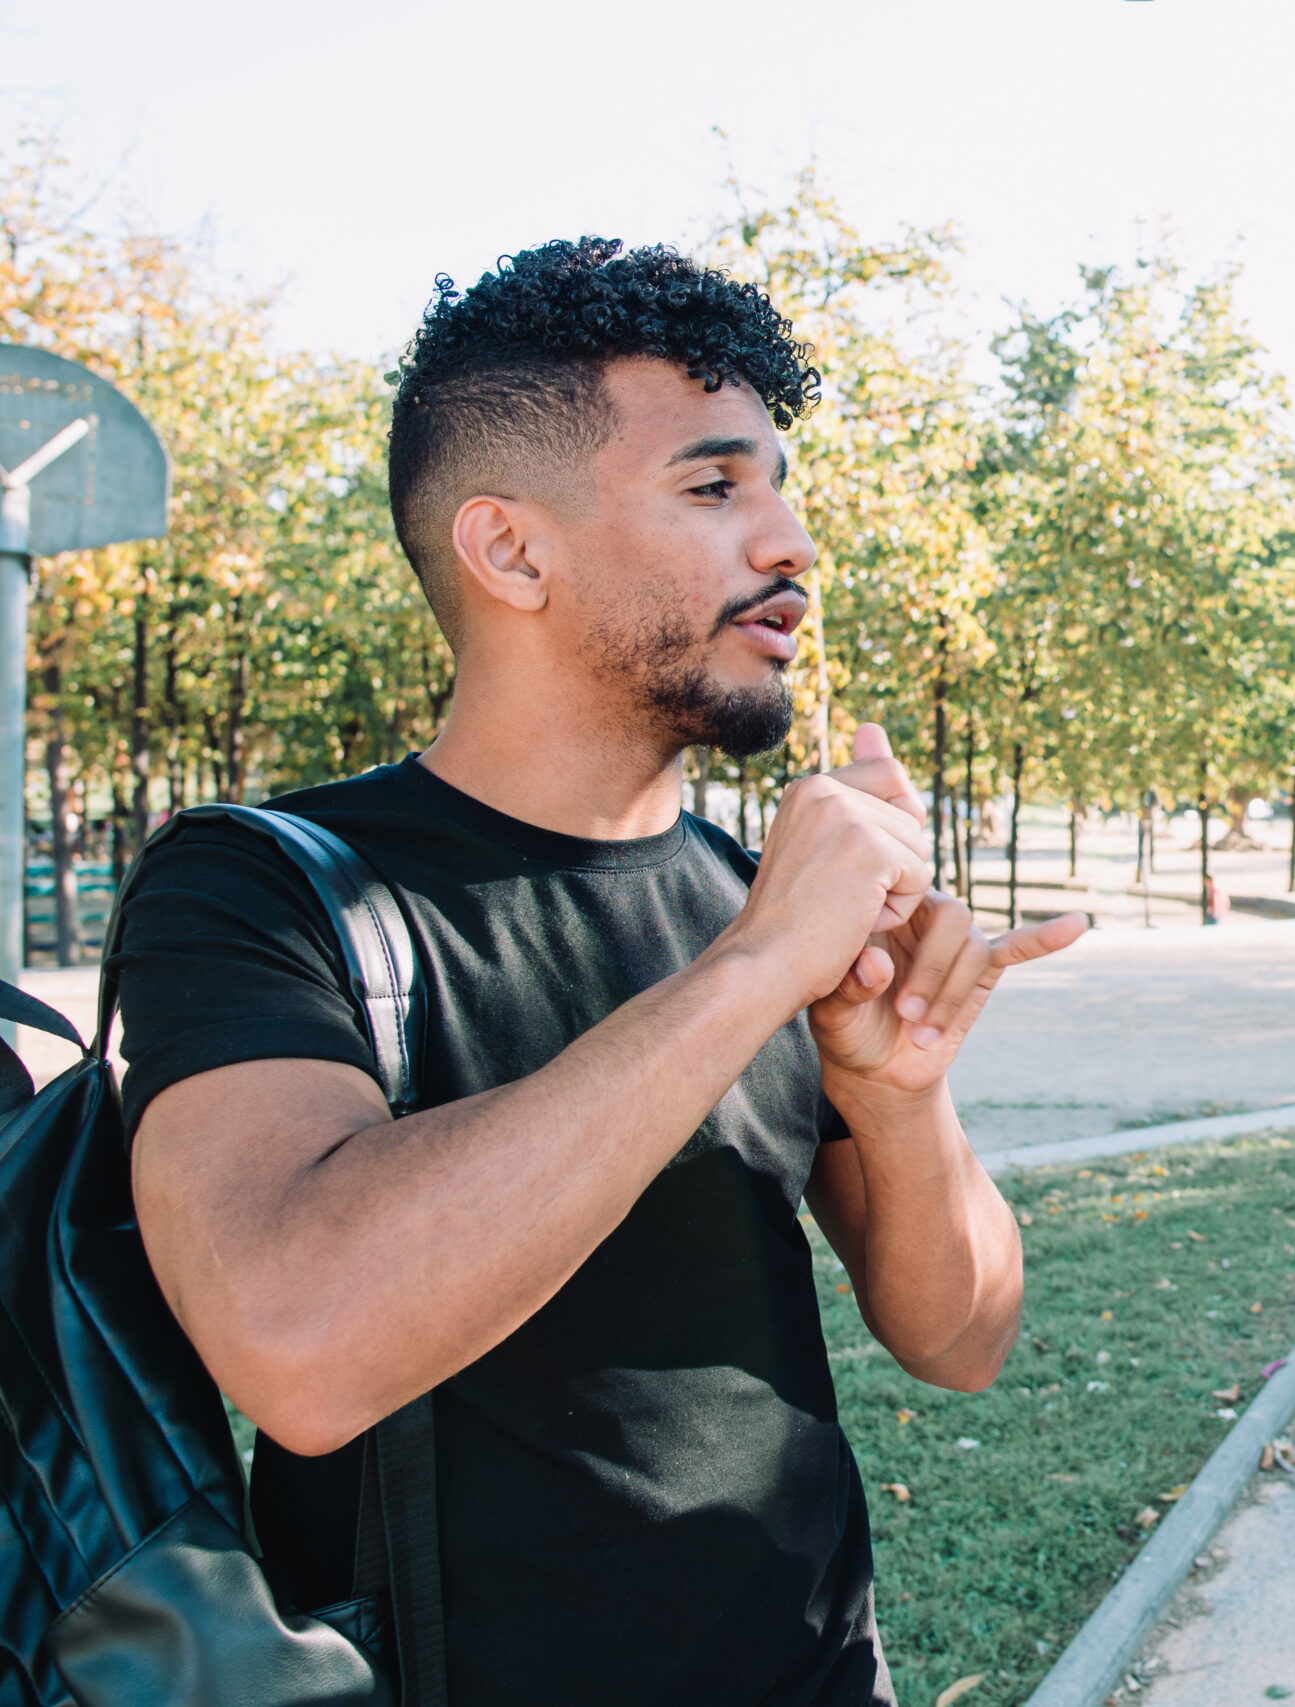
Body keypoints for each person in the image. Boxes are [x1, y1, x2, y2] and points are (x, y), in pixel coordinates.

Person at [111, 238, 1083, 1707]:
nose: (790, 542)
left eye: (778, 484)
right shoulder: (256, 886)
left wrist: (896, 1092)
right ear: (510, 552)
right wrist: (752, 973)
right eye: (714, 487)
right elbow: (297, 1348)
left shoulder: (746, 903)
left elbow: (962, 1338)